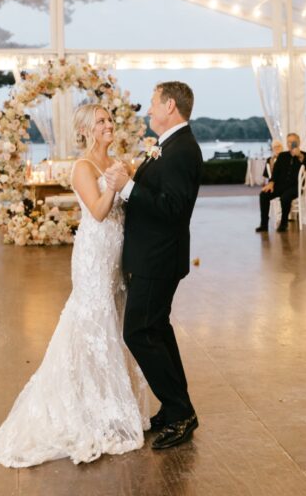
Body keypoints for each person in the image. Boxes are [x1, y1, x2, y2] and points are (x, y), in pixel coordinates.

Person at [0, 105, 150, 467]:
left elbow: (129, 205)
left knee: (112, 323)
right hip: (93, 254)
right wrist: (116, 182)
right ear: (87, 131)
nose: (108, 125)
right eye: (101, 122)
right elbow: (100, 210)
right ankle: (85, 408)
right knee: (91, 323)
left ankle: (107, 402)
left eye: (109, 120)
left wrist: (126, 177)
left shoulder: (117, 162)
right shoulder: (83, 167)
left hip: (115, 254)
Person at [105, 81, 203, 451]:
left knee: (139, 333)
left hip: (158, 257)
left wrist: (129, 187)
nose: (148, 110)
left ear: (170, 106)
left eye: (152, 103)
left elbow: (173, 209)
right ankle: (175, 406)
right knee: (157, 330)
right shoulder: (170, 146)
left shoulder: (181, 151)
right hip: (154, 254)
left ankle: (181, 412)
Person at [256, 132, 306, 233]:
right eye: (288, 142)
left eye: (293, 142)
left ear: (298, 142)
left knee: (285, 197)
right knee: (263, 195)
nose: (291, 144)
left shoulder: (305, 155)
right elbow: (275, 172)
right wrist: (271, 182)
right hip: (280, 186)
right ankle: (264, 224)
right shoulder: (282, 156)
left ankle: (284, 223)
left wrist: (299, 155)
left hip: (295, 187)